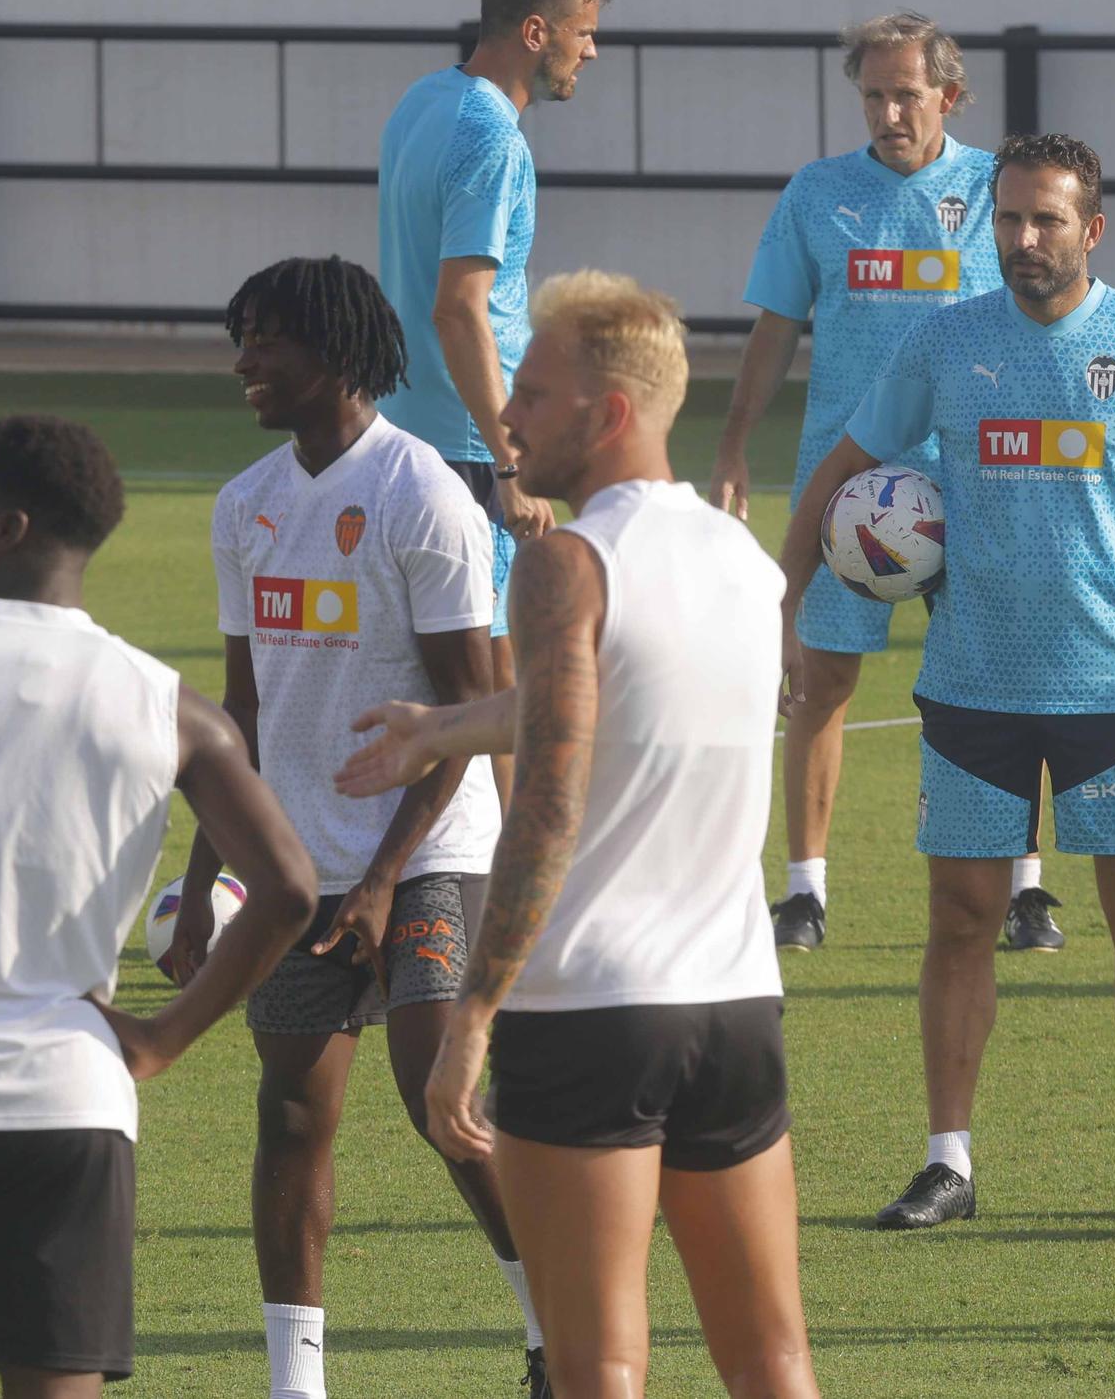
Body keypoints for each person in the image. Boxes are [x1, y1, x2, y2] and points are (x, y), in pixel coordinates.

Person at [334, 270, 820, 1398]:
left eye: (534, 393)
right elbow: (620, 699)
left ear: (607, 414)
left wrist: (474, 1009)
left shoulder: (565, 560)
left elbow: (548, 797)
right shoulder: (742, 563)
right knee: (774, 1356)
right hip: (735, 1008)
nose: (505, 415)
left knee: (595, 1363)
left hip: (589, 1010)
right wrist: (447, 723)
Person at [778, 132, 1115, 1229]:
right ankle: (949, 1161)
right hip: (972, 686)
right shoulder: (945, 345)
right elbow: (834, 475)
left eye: (1044, 220)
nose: (1023, 240)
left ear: (1091, 227)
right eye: (1006, 219)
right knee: (960, 916)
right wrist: (774, 609)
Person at [177, 257, 545, 1396]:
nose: (244, 361)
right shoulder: (245, 505)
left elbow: (469, 715)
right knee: (290, 1111)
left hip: (429, 846)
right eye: (240, 336)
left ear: (334, 353)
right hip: (293, 866)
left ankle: (555, 1333)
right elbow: (235, 714)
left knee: (443, 1095)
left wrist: (388, 876)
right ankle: (298, 1380)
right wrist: (201, 882)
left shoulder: (420, 493)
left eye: (265, 340)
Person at [0, 415, 318, 1398]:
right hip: (67, 1106)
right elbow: (288, 886)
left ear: (5, 525)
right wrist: (161, 1038)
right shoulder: (171, 707)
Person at [712, 11, 1066, 955]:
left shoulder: (999, 192)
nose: (888, 111)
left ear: (948, 95)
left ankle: (1027, 889)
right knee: (820, 677)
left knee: (1005, 676)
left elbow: (1040, 315)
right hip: (850, 486)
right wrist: (735, 445)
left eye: (906, 93)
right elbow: (776, 327)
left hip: (979, 480)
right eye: (873, 94)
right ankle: (803, 892)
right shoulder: (818, 194)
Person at [378, 0, 614, 805]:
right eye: (584, 35)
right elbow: (459, 306)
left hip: (404, 425)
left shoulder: (421, 102)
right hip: (470, 444)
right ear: (536, 30)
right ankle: (522, 895)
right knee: (500, 677)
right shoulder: (491, 136)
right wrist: (510, 460)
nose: (591, 52)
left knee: (437, 667)